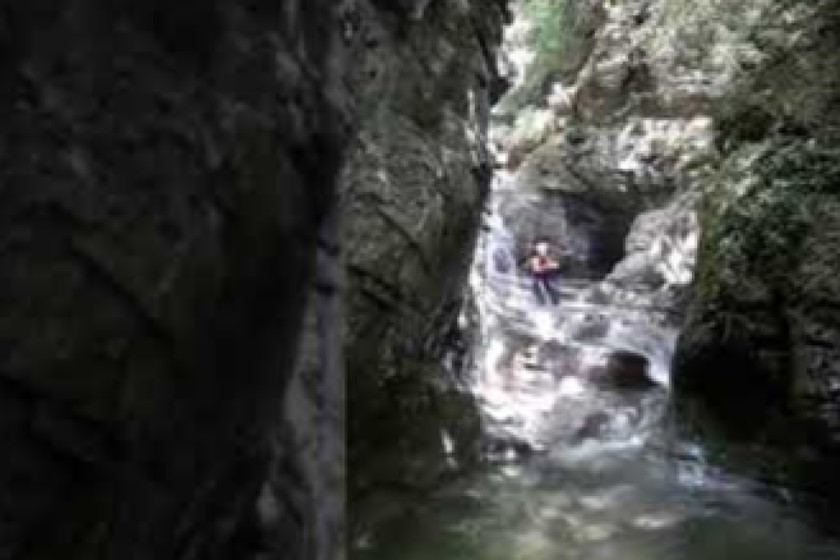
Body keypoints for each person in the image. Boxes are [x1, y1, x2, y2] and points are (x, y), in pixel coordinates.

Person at [527, 240, 561, 305]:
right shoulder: (535, 260)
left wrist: (550, 266)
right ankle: (540, 303)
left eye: (544, 252)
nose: (542, 254)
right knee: (537, 289)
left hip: (547, 279)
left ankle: (554, 303)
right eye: (541, 252)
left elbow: (556, 266)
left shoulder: (549, 259)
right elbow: (536, 269)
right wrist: (547, 267)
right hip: (538, 279)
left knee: (553, 291)